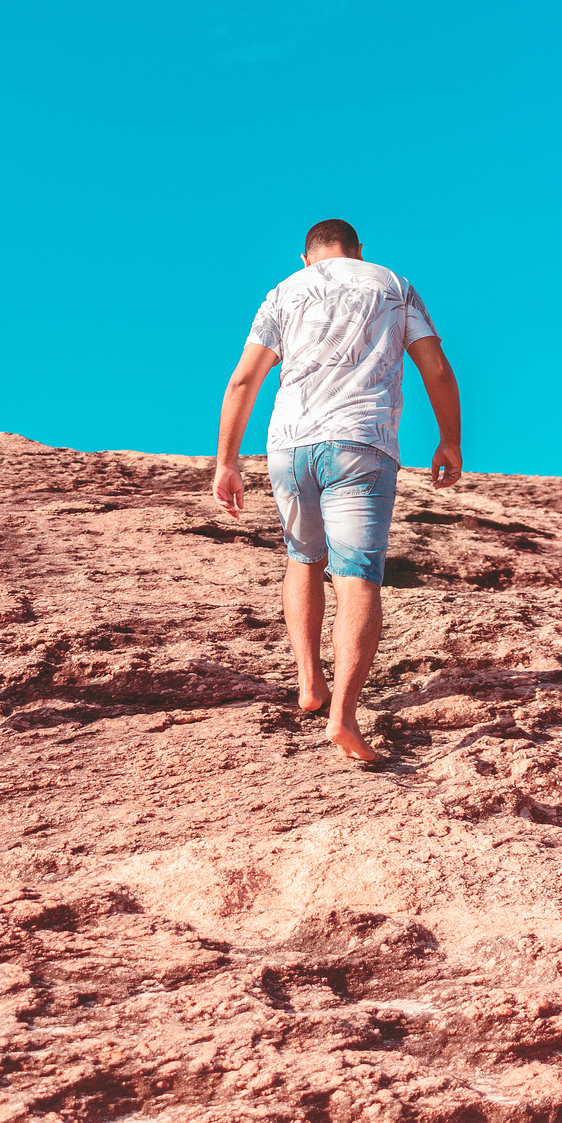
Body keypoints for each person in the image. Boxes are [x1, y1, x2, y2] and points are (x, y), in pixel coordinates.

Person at [212, 218, 461, 766]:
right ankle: (343, 718)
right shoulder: (393, 284)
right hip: (361, 442)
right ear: (358, 251)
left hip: (289, 447)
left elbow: (243, 380)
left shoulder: (284, 291)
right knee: (357, 576)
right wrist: (449, 442)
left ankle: (309, 681)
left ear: (308, 258)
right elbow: (436, 368)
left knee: (302, 558)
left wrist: (227, 461)